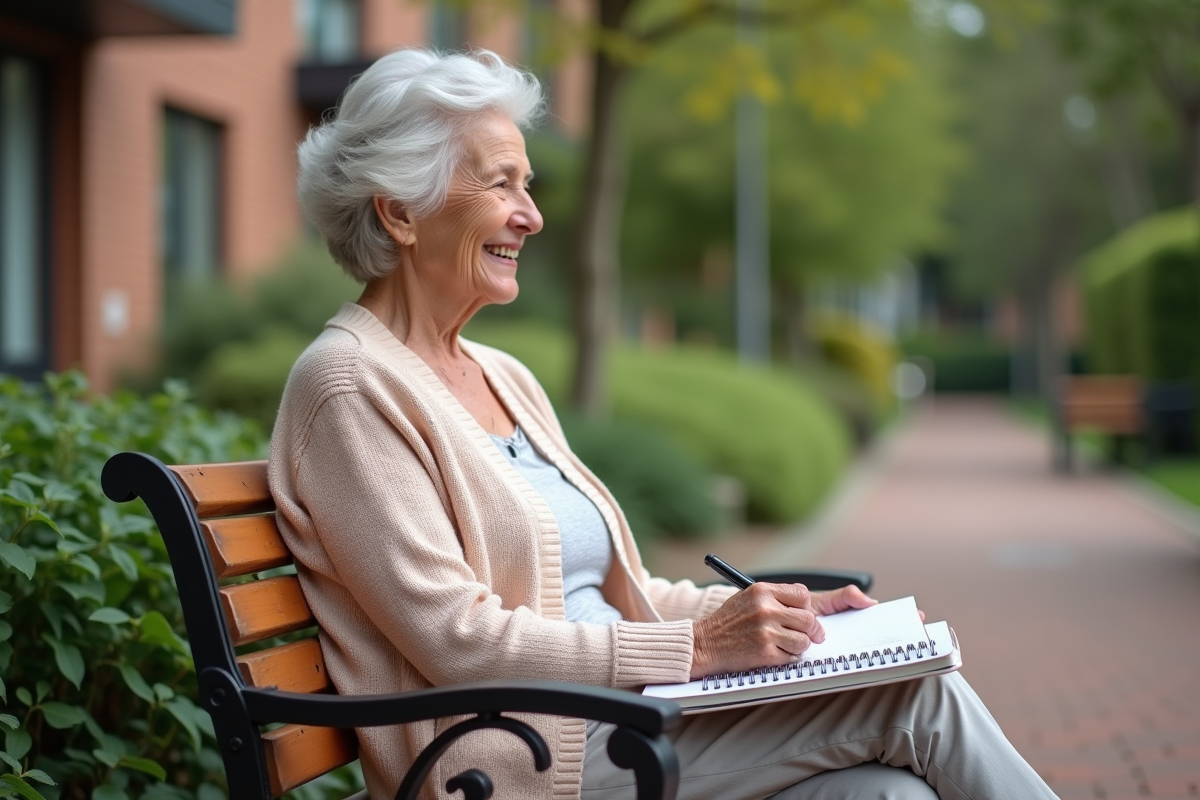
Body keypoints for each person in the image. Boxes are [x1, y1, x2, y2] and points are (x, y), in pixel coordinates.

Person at [269, 47, 1059, 800]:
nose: (532, 217)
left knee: (882, 790)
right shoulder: (348, 388)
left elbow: (624, 594)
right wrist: (703, 649)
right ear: (401, 212)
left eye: (529, 184)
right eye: (503, 185)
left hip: (617, 720)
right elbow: (458, 639)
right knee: (912, 699)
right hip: (511, 762)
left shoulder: (501, 375)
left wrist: (773, 614)